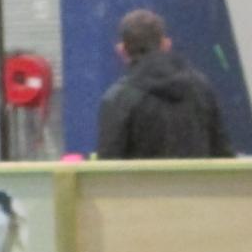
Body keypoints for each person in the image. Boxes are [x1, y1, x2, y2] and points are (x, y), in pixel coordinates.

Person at [96, 9, 235, 160]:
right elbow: (223, 154)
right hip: (197, 177)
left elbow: (108, 164)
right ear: (166, 44)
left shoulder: (118, 99)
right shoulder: (202, 89)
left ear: (121, 50)